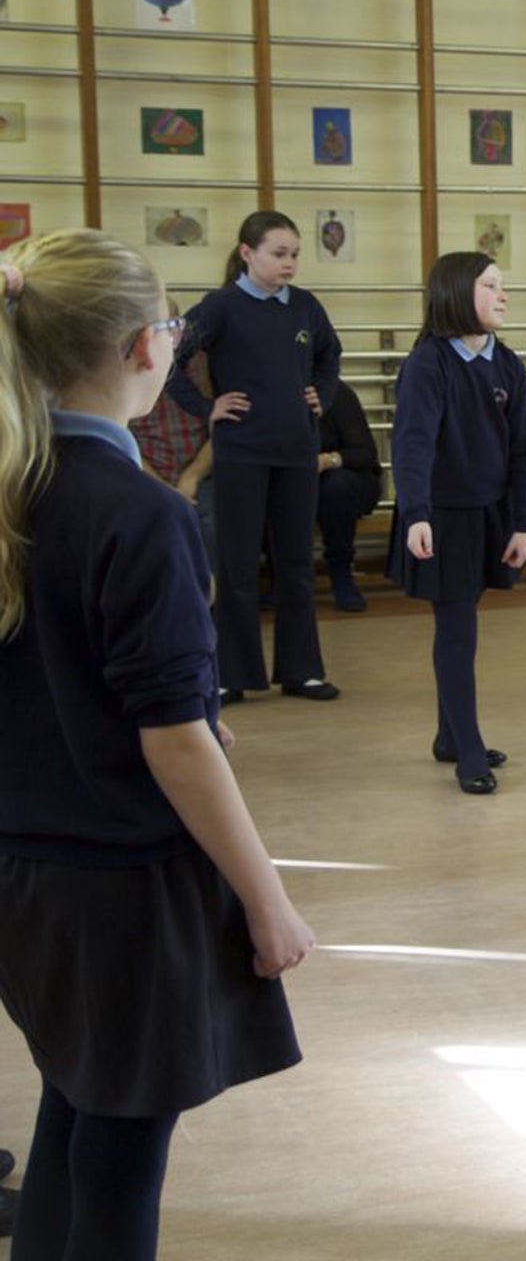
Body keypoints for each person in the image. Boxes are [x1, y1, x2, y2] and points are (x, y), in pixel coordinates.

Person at [0, 234, 311, 1261]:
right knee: (120, 1154)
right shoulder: (138, 511)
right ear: (145, 346)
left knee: (75, 1112)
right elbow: (175, 743)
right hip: (119, 888)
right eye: (176, 323)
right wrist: (267, 899)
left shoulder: (19, 491)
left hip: (28, 870)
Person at [169, 211, 343, 703]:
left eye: (294, 255)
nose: (289, 264)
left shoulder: (306, 307)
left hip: (296, 451)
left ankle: (302, 670)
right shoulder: (220, 307)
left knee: (295, 563)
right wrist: (208, 409)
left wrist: (321, 396)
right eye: (278, 254)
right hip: (242, 451)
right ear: (247, 253)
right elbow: (169, 359)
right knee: (238, 563)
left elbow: (331, 357)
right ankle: (232, 674)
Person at [387, 254, 526, 793]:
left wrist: (525, 522)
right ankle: (466, 748)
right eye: (491, 286)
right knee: (457, 631)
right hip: (441, 518)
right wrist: (416, 514)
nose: (503, 295)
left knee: (462, 623)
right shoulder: (428, 364)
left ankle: (448, 736)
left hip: (490, 516)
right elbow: (412, 445)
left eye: (503, 285)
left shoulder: (508, 364)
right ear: (457, 293)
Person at [128, 297, 216, 570]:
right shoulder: (126, 368)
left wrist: (192, 476)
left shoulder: (205, 364)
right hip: (145, 473)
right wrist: (160, 486)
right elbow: (121, 437)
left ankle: (211, 605)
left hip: (204, 470)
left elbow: (222, 429)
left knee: (211, 522)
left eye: (174, 326)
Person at [316, 380, 383, 613]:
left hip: (350, 480)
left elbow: (364, 454)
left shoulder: (335, 393)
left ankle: (341, 573)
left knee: (335, 489)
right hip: (298, 485)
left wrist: (326, 460)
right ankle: (279, 580)